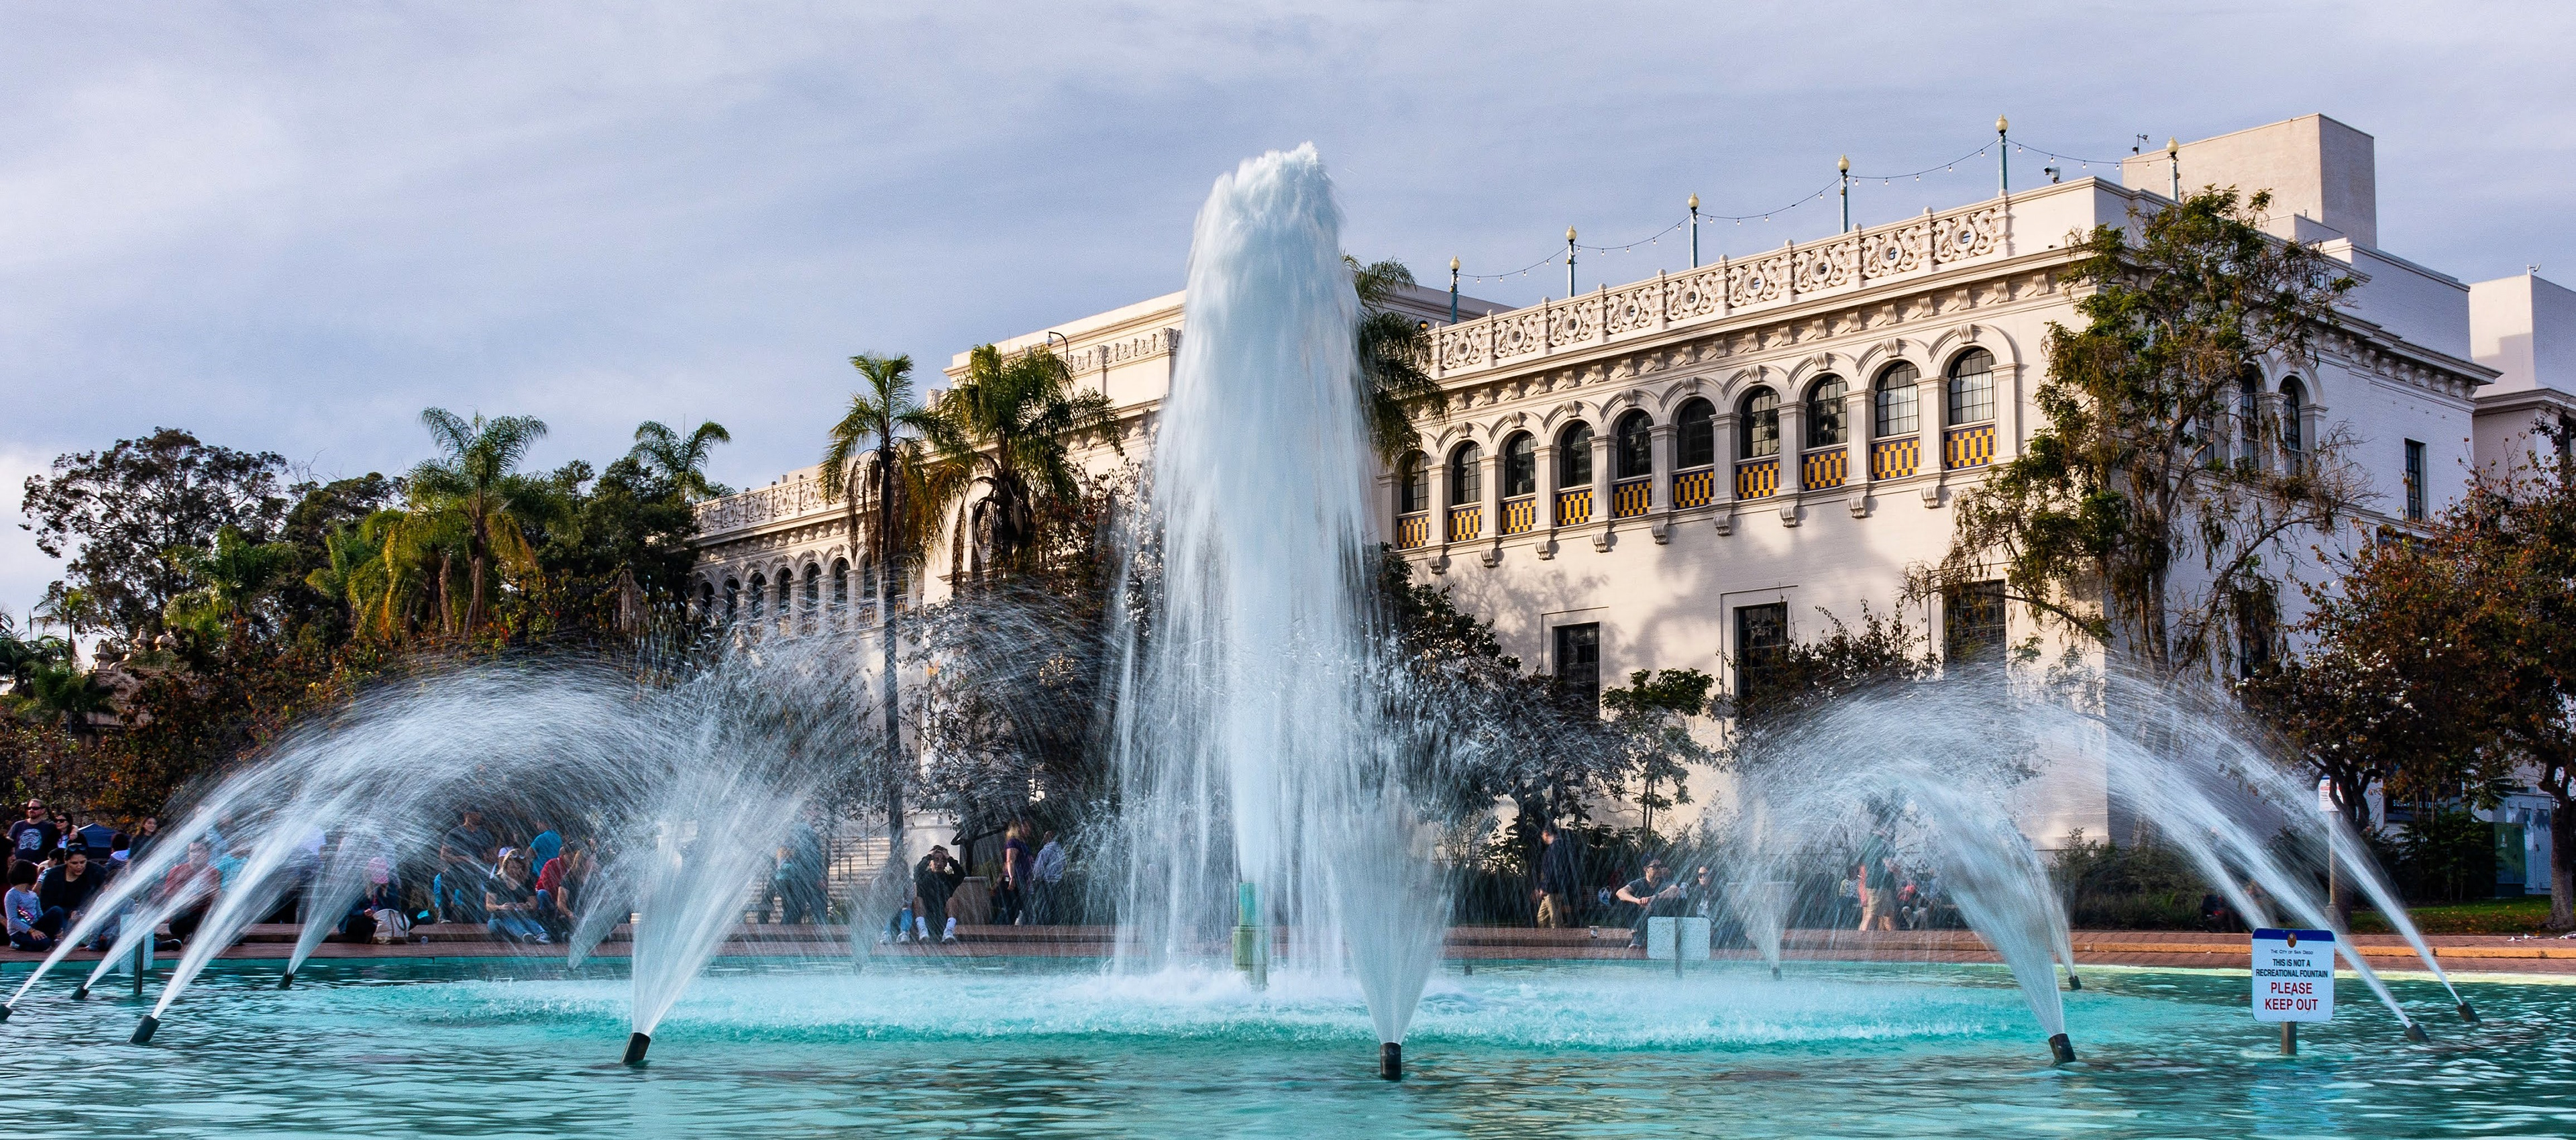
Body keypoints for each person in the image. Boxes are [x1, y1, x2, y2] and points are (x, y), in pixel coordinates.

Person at [1615, 858, 1688, 949]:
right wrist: (1638, 901)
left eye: (1661, 866)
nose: (1659, 869)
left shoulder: (1665, 882)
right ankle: (1636, 935)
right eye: (1656, 867)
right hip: (1642, 922)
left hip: (1659, 919)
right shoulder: (1639, 883)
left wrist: (1653, 899)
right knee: (1626, 901)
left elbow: (1675, 890)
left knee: (1672, 900)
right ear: (1646, 869)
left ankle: (1665, 936)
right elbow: (1620, 893)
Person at [437, 809, 494, 925]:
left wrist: (487, 858)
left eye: (480, 813)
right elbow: (444, 855)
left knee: (472, 898)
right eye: (476, 812)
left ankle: (470, 922)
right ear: (467, 814)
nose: (479, 815)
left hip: (476, 871)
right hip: (457, 869)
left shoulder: (485, 834)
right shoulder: (455, 833)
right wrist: (462, 859)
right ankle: (444, 917)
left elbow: (494, 856)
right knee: (446, 884)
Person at [160, 840, 221, 945]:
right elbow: (171, 899)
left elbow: (216, 896)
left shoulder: (213, 872)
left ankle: (196, 934)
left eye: (200, 850)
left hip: (203, 914)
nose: (196, 854)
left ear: (207, 854)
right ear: (188, 854)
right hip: (182, 915)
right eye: (193, 851)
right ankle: (196, 934)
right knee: (177, 922)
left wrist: (212, 895)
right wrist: (198, 897)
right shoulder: (176, 871)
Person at [482, 850, 547, 943]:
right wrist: (501, 907)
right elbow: (489, 906)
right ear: (506, 866)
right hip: (500, 916)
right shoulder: (496, 881)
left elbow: (534, 904)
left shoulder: (527, 881)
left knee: (524, 919)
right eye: (512, 867)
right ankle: (526, 934)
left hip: (522, 915)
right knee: (496, 924)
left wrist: (526, 906)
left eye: (518, 868)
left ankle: (541, 934)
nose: (515, 871)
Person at [5, 862, 64, 951]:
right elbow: (13, 920)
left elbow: (40, 916)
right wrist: (31, 931)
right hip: (19, 932)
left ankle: (52, 938)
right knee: (45, 944)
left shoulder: (33, 895)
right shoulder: (12, 895)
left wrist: (56, 929)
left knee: (57, 910)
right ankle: (18, 944)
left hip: (35, 927)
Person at [912, 845, 965, 943]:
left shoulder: (949, 880)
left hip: (942, 922)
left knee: (953, 901)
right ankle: (923, 931)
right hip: (927, 919)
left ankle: (948, 932)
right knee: (917, 900)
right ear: (930, 863)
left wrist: (949, 857)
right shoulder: (923, 879)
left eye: (943, 860)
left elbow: (961, 874)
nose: (939, 863)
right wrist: (929, 856)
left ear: (946, 864)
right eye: (936, 860)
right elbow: (916, 872)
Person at [1534, 825, 1581, 929]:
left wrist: (1545, 887)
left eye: (1543, 835)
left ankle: (1557, 942)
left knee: (1554, 919)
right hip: (1555, 888)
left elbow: (1552, 870)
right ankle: (1544, 941)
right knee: (1542, 918)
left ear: (1546, 833)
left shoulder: (1555, 848)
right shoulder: (1562, 847)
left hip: (1552, 889)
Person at [535, 841, 585, 938]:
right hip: (550, 897)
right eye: (571, 856)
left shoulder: (577, 869)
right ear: (564, 855)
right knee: (542, 894)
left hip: (565, 898)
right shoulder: (552, 864)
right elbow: (546, 883)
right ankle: (547, 918)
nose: (573, 859)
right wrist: (558, 898)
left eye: (575, 857)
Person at [1856, 835, 1896, 932]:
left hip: (1881, 887)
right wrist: (1900, 871)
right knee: (1870, 915)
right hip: (1877, 887)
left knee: (1888, 915)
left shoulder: (1874, 845)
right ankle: (1861, 940)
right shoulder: (1880, 845)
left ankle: (1893, 940)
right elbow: (1890, 866)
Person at [996, 823, 1032, 927]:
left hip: (1020, 878)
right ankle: (998, 929)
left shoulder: (1022, 843)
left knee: (1016, 907)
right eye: (1026, 826)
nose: (1029, 829)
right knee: (1011, 906)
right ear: (1018, 828)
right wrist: (1011, 877)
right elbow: (1010, 861)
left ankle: (1002, 930)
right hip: (1014, 879)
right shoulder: (1013, 843)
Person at [8, 800, 60, 871]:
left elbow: (67, 828)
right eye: (29, 808)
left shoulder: (50, 827)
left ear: (43, 810)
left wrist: (74, 829)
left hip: (39, 868)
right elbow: (8, 843)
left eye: (35, 808)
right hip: (17, 868)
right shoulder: (18, 825)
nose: (31, 810)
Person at [1031, 829, 1067, 926]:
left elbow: (1038, 870)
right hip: (1058, 882)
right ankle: (1055, 927)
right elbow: (1064, 865)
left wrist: (1036, 880)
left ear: (1047, 839)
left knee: (1042, 907)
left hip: (1046, 883)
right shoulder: (1061, 851)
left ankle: (1042, 929)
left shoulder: (1045, 851)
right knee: (1054, 907)